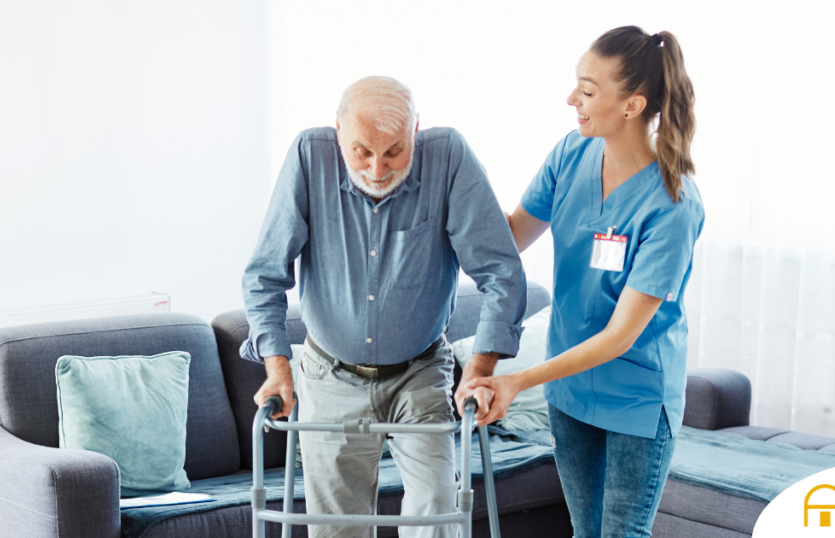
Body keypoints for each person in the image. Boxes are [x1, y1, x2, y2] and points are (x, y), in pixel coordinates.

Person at [240, 75, 526, 538]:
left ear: (417, 131)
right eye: (362, 152)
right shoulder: (309, 156)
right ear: (338, 133)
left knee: (437, 510)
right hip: (328, 373)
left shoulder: (448, 157)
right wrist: (277, 367)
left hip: (419, 370)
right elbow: (264, 274)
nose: (377, 168)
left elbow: (501, 271)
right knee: (336, 529)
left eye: (394, 151)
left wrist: (479, 369)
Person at [465, 27, 703, 538]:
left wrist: (517, 380)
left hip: (638, 398)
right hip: (570, 391)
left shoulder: (672, 204)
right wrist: (451, 181)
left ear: (632, 105)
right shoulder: (570, 154)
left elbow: (621, 337)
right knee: (585, 533)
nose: (572, 99)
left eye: (588, 91)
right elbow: (509, 238)